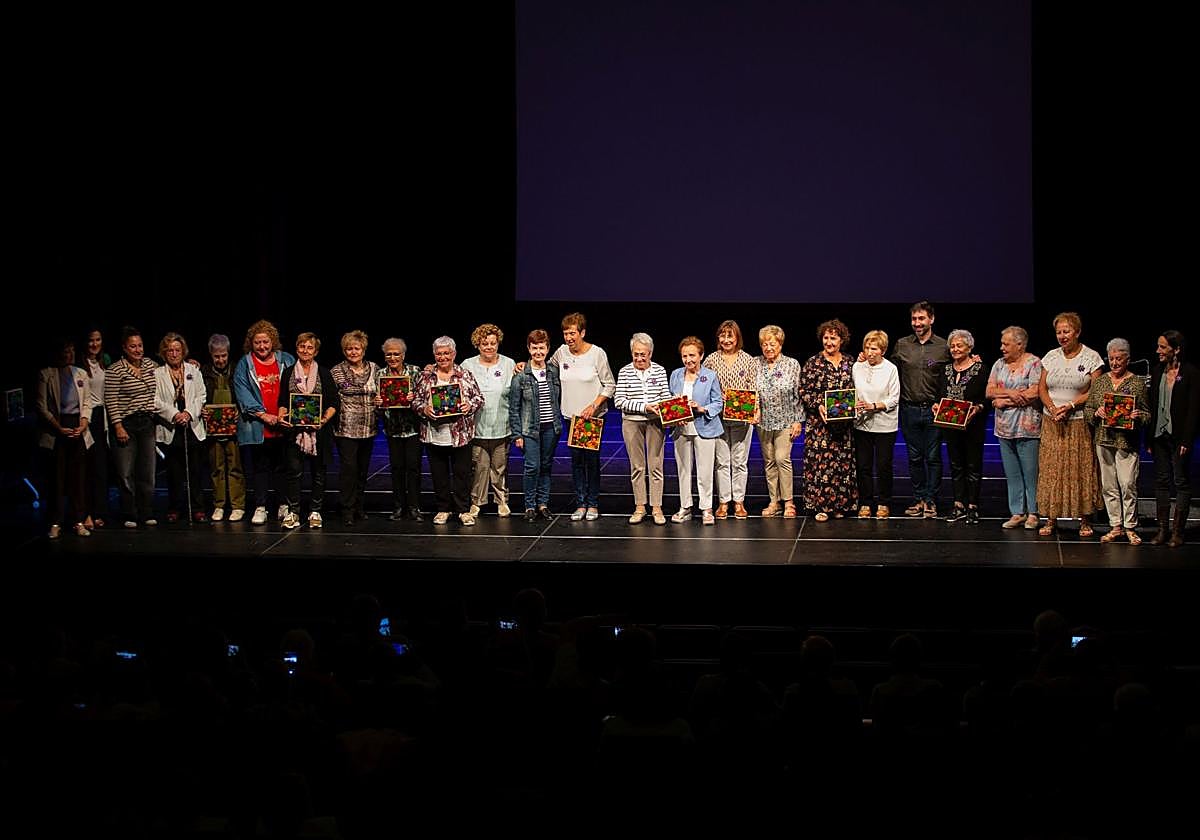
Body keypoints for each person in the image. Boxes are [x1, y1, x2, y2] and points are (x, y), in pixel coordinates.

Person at [1036, 312, 1103, 537]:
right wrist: (1054, 409)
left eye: (1066, 332)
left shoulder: (1091, 357)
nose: (1062, 336)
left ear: (1077, 332)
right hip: (1052, 421)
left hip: (1078, 423)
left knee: (1080, 469)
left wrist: (1072, 405)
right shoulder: (1051, 356)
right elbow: (1042, 388)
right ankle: (1050, 519)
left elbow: (1096, 390)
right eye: (1058, 332)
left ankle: (1085, 520)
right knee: (1051, 470)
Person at [549, 312, 616, 521]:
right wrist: (523, 365)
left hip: (591, 419)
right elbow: (545, 368)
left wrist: (594, 406)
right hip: (570, 417)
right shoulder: (561, 353)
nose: (568, 338)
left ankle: (593, 503)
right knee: (576, 461)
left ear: (582, 332)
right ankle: (580, 503)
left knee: (591, 461)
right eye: (565, 334)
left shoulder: (597, 354)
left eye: (572, 333)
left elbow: (610, 385)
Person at [412, 336, 485, 525]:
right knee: (439, 474)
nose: (443, 357)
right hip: (434, 433)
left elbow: (479, 398)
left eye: (446, 353)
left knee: (462, 474)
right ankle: (443, 509)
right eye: (439, 354)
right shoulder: (425, 376)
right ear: (434, 355)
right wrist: (424, 409)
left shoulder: (464, 374)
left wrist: (469, 406)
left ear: (454, 354)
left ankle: (463, 510)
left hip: (460, 434)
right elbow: (415, 401)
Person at [1084, 338, 1148, 544]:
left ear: (1127, 359)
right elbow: (1088, 411)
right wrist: (1097, 412)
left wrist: (1139, 416)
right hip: (1104, 439)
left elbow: (1148, 414)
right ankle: (1116, 526)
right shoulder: (1101, 381)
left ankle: (1130, 526)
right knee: (1108, 486)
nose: (1114, 363)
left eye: (1118, 359)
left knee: (1128, 483)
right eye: (1111, 358)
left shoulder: (1137, 383)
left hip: (1126, 441)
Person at [232, 319, 296, 526]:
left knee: (282, 466)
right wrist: (263, 415)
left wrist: (285, 413)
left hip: (283, 423)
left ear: (273, 341)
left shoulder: (286, 359)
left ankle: (282, 504)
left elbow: (296, 386)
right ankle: (260, 506)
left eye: (266, 342)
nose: (262, 347)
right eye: (258, 342)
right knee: (260, 466)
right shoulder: (245, 363)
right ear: (251, 343)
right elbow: (242, 393)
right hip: (258, 425)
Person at [892, 301, 949, 518]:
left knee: (933, 457)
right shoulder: (902, 345)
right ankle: (918, 499)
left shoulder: (944, 346)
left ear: (931, 319)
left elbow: (957, 369)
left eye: (921, 318)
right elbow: (888, 370)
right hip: (909, 409)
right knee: (914, 457)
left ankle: (931, 500)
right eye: (914, 319)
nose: (917, 323)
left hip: (935, 410)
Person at [279, 332, 339, 529]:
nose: (305, 350)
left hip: (318, 432)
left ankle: (315, 511)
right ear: (297, 348)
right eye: (302, 347)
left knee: (318, 473)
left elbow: (333, 403)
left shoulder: (323, 373)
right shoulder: (288, 372)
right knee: (293, 472)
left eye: (309, 347)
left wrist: (322, 421)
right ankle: (294, 511)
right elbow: (282, 401)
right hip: (294, 433)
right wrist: (281, 417)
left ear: (316, 351)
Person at [36, 338, 95, 538]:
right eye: (64, 351)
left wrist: (84, 423)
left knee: (78, 477)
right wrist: (58, 427)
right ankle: (55, 521)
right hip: (57, 428)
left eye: (70, 351)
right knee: (57, 478)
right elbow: (42, 406)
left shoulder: (80, 373)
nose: (67, 355)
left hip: (77, 426)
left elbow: (87, 401)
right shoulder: (47, 374)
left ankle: (78, 520)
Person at [800, 319, 858, 521]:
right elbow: (804, 391)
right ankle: (822, 506)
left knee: (842, 463)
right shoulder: (813, 362)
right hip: (820, 425)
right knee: (821, 464)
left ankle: (840, 505)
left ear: (841, 340)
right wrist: (818, 404)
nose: (829, 342)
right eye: (826, 337)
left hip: (844, 425)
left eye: (833, 338)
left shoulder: (851, 362)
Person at [985, 326, 1042, 530]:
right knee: (1012, 472)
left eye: (1006, 344)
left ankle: (1034, 512)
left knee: (1030, 471)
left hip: (1027, 426)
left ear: (1020, 345)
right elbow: (990, 391)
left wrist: (1004, 401)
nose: (1002, 348)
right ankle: (1017, 512)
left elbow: (1035, 391)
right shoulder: (999, 364)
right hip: (1004, 428)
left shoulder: (1033, 362)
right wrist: (1009, 392)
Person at [1147, 330, 1199, 547]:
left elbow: (1193, 410)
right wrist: (1148, 440)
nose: (1158, 351)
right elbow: (1151, 405)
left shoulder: (1190, 373)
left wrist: (1187, 440)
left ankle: (1178, 532)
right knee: (1161, 481)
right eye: (1158, 346)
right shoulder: (1158, 372)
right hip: (1159, 435)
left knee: (1180, 481)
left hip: (1179, 437)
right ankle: (1162, 530)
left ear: (1176, 349)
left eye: (1163, 347)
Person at [104, 326, 160, 528]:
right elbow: (111, 400)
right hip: (126, 423)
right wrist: (118, 426)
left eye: (140, 345)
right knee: (126, 471)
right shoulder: (115, 370)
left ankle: (147, 511)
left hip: (147, 422)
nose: (137, 350)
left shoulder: (151, 365)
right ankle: (129, 512)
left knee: (147, 470)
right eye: (132, 346)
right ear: (124, 348)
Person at [613, 332, 671, 525]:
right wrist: (643, 407)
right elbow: (619, 400)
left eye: (643, 354)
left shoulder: (660, 371)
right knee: (637, 466)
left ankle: (656, 507)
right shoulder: (624, 371)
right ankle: (640, 506)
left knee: (656, 466)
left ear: (650, 353)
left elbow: (665, 396)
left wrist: (662, 407)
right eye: (636, 354)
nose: (639, 358)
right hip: (631, 422)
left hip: (655, 422)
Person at [460, 323, 517, 518]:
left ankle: (502, 501)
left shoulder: (509, 364)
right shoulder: (467, 365)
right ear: (478, 344)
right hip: (477, 427)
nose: (489, 347)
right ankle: (477, 502)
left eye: (493, 343)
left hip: (502, 424)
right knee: (479, 467)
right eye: (485, 343)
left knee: (499, 467)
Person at [667, 336, 724, 525]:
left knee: (705, 470)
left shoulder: (710, 376)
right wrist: (675, 412)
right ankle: (685, 506)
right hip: (681, 428)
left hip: (704, 426)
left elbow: (718, 403)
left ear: (701, 355)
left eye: (692, 355)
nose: (688, 359)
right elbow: (669, 399)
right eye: (684, 356)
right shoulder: (675, 374)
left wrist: (701, 408)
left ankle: (706, 508)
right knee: (683, 469)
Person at [703, 320, 757, 520]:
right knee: (722, 461)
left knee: (740, 461)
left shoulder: (748, 360)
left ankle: (739, 501)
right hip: (718, 418)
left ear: (737, 338)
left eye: (730, 336)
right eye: (723, 336)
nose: (726, 340)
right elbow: (704, 386)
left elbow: (754, 388)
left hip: (742, 419)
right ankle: (724, 502)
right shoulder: (711, 360)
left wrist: (754, 409)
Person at [153, 332, 208, 523]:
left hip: (192, 425)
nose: (174, 354)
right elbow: (155, 400)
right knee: (174, 472)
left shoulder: (193, 370)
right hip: (170, 427)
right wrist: (175, 414)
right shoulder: (157, 374)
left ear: (183, 351)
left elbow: (201, 396)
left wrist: (188, 414)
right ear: (164, 353)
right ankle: (175, 507)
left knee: (195, 470)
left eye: (177, 350)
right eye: (170, 351)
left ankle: (198, 508)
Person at [935, 329, 988, 525]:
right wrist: (936, 404)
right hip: (950, 425)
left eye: (959, 346)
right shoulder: (945, 369)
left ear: (969, 347)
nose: (955, 349)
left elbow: (986, 397)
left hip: (972, 426)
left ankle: (973, 506)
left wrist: (979, 407)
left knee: (973, 465)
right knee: (956, 465)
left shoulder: (980, 369)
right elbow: (939, 393)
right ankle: (958, 504)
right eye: (952, 346)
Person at [510, 330, 561, 522]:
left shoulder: (553, 371)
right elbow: (514, 408)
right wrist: (517, 435)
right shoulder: (521, 376)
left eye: (542, 347)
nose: (538, 352)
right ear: (528, 348)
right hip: (529, 429)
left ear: (547, 349)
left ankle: (543, 504)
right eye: (534, 348)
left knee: (546, 466)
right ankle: (530, 506)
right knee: (532, 466)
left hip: (551, 428)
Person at [330, 330, 379, 527]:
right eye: (348, 349)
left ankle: (359, 506)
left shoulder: (375, 369)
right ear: (344, 351)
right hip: (345, 428)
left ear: (363, 349)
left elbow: (383, 389)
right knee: (349, 470)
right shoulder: (337, 371)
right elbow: (333, 397)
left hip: (368, 427)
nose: (353, 352)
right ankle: (347, 509)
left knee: (362, 470)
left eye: (356, 348)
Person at [754, 325, 804, 517]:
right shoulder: (755, 363)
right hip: (764, 421)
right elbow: (751, 391)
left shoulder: (792, 364)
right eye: (764, 344)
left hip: (786, 420)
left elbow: (798, 394)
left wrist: (798, 420)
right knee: (769, 462)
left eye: (772, 343)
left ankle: (789, 501)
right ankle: (774, 502)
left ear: (780, 344)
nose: (768, 348)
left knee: (782, 458)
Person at [851, 329, 900, 518]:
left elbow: (894, 398)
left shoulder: (890, 369)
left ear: (883, 350)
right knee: (863, 465)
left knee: (883, 465)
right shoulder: (858, 366)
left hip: (884, 425)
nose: (870, 352)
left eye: (874, 349)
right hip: (862, 424)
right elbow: (852, 391)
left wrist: (874, 406)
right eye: (867, 347)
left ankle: (884, 502)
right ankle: (865, 502)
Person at [375, 337, 423, 521]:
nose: (393, 357)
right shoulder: (380, 374)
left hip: (412, 428)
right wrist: (378, 403)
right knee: (396, 468)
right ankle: (398, 506)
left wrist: (414, 397)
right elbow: (378, 405)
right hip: (392, 429)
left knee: (413, 468)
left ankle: (414, 507)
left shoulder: (414, 371)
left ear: (403, 355)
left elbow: (423, 396)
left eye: (396, 354)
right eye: (389, 354)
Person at [200, 334, 247, 522]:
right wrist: (202, 410)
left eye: (223, 356)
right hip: (212, 429)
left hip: (234, 428)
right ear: (211, 355)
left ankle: (237, 505)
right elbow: (199, 396)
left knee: (235, 466)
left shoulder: (237, 370)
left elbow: (244, 394)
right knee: (216, 467)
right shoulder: (203, 372)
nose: (220, 360)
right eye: (216, 356)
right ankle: (219, 505)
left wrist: (240, 411)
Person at [80, 326, 112, 528]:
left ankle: (100, 511)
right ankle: (86, 512)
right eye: (91, 340)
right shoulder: (79, 364)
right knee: (86, 468)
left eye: (98, 340)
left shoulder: (106, 360)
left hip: (103, 416)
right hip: (86, 417)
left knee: (101, 468)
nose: (95, 344)